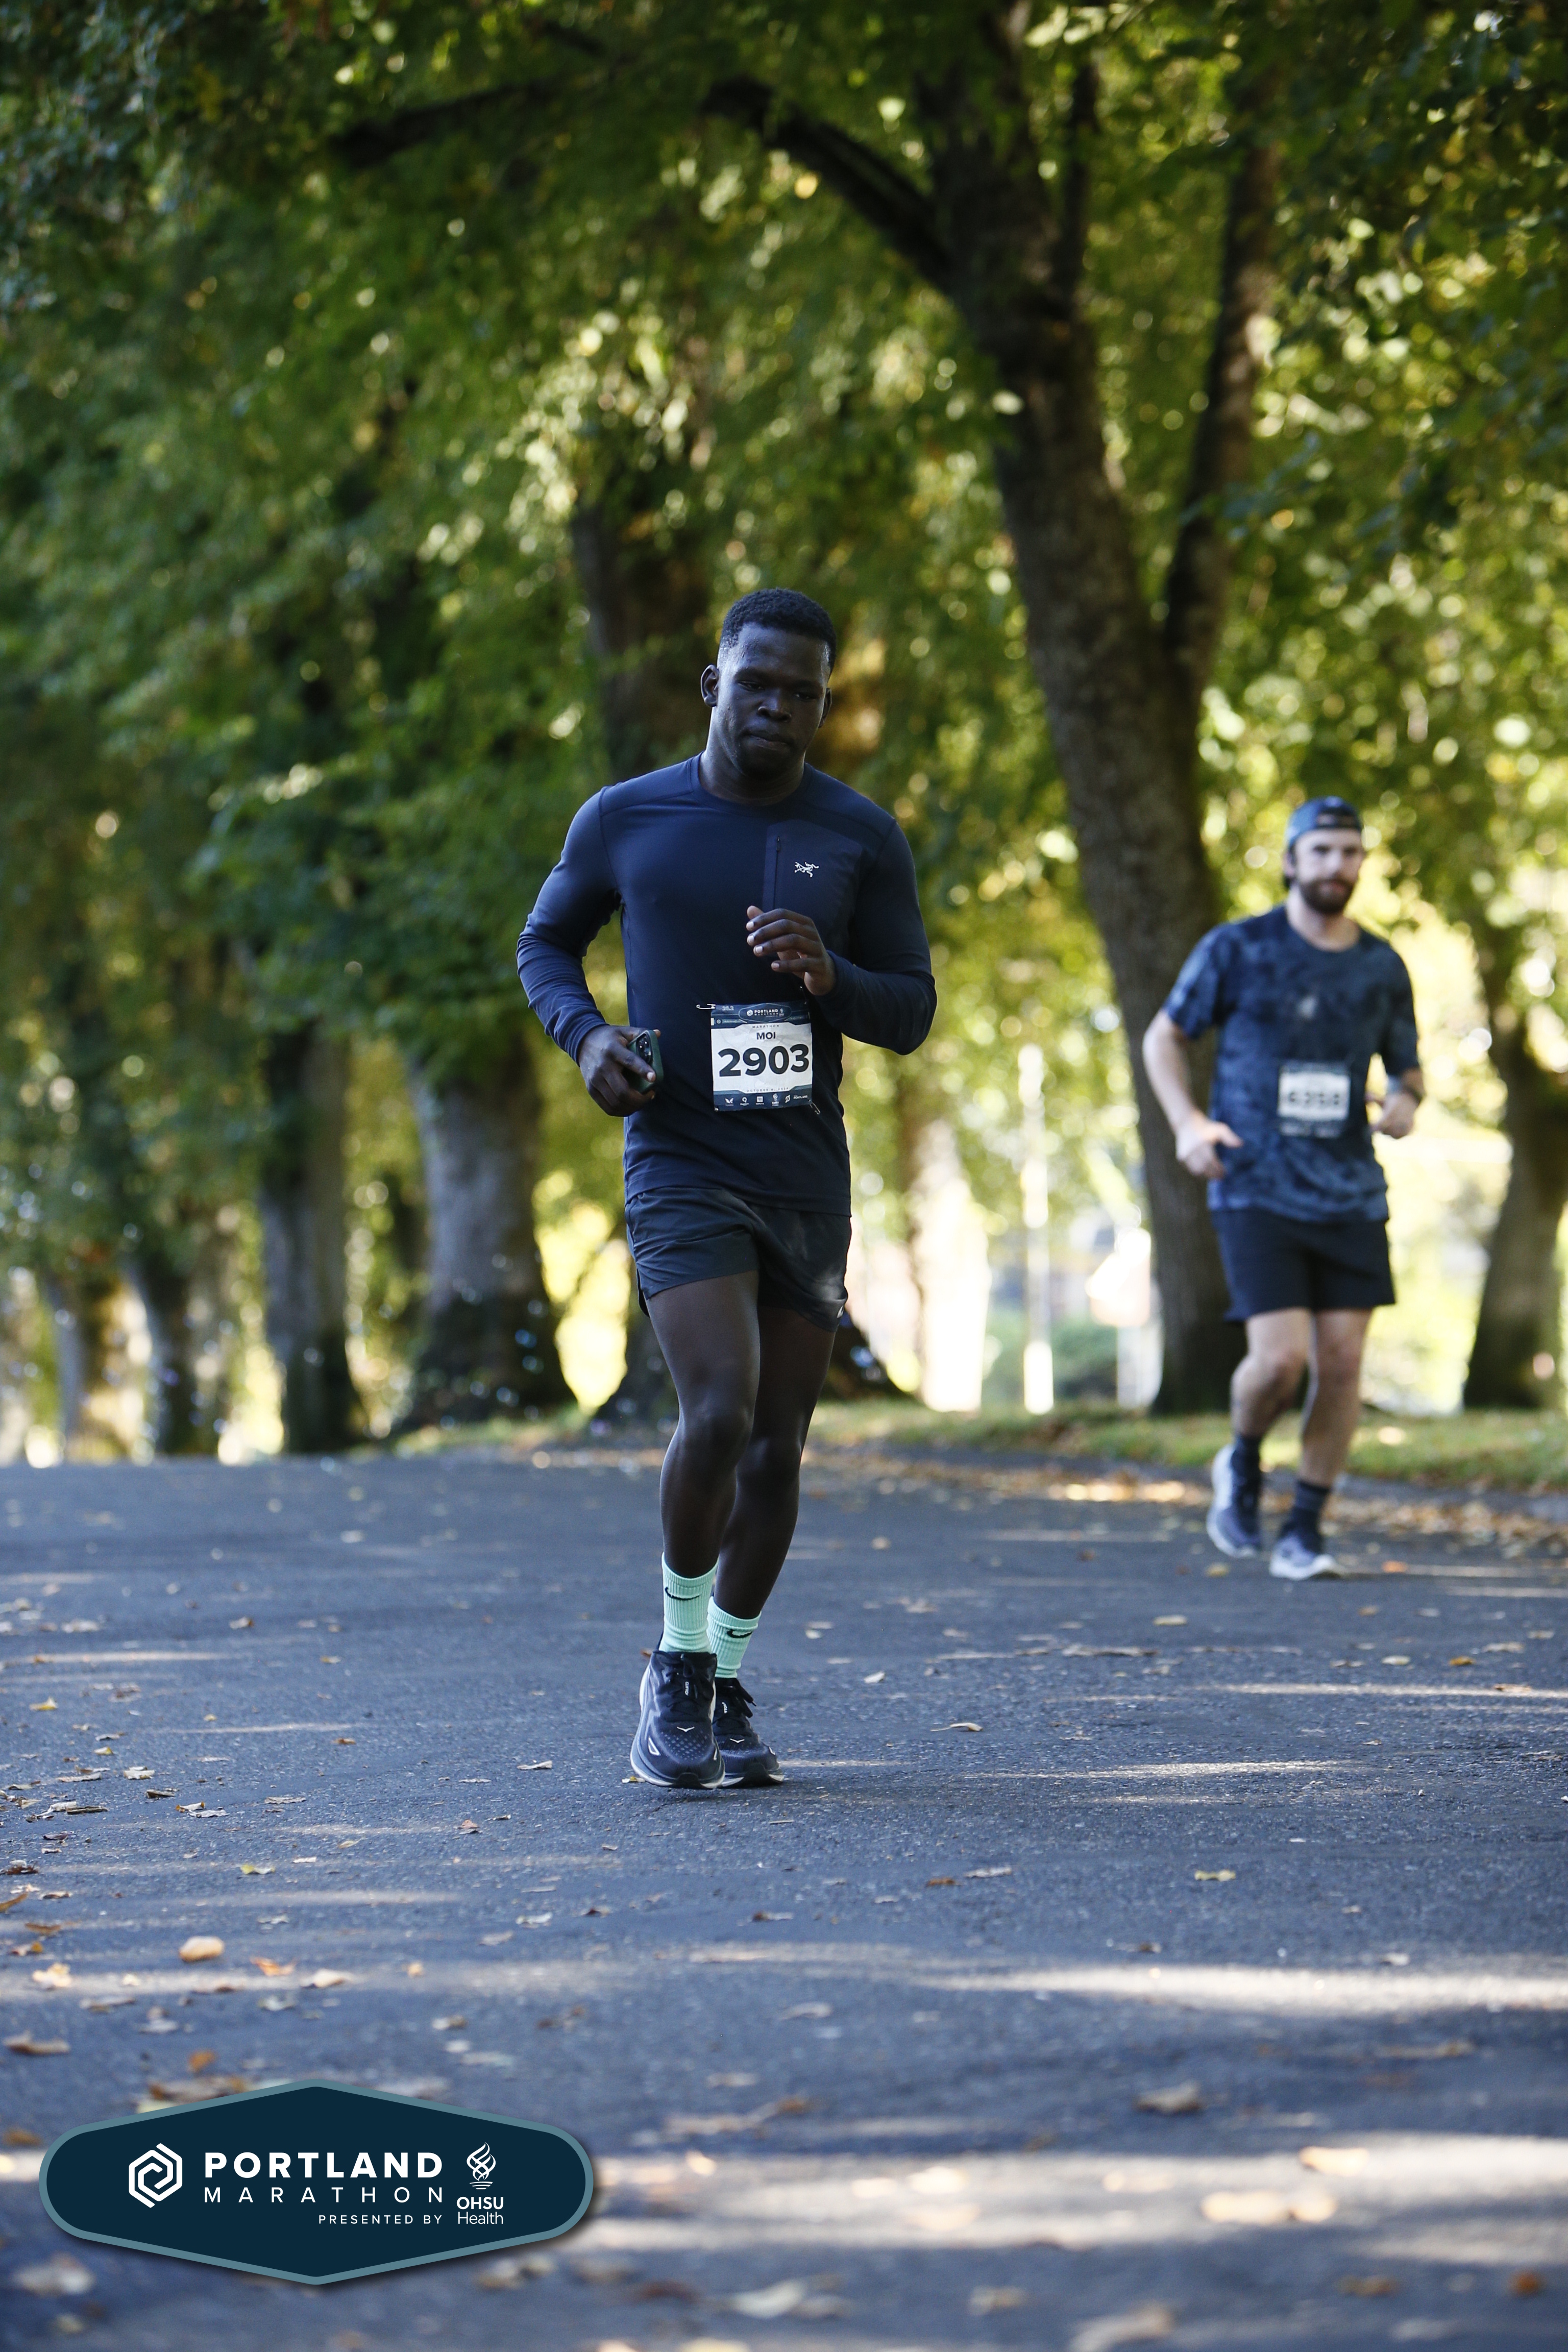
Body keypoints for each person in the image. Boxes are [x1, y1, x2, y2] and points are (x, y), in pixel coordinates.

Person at [517, 587, 935, 1785]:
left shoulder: (859, 834)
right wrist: (587, 1039)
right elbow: (546, 944)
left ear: (824, 704)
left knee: (778, 1449)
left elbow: (911, 1007)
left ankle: (727, 1680)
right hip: (681, 1157)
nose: (779, 708)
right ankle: (677, 1668)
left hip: (803, 1174)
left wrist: (832, 974)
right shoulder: (627, 817)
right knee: (719, 1410)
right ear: (716, 683)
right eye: (759, 684)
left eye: (805, 693)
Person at [1142, 797, 1423, 1581]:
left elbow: (1408, 1069)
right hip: (1256, 1185)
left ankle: (1305, 1528)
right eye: (1322, 850)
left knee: (1343, 1362)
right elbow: (1164, 1036)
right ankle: (1241, 1459)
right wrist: (1188, 1125)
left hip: (1351, 1191)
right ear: (1293, 861)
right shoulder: (1238, 948)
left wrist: (1406, 1101)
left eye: (1350, 852)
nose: (1338, 865)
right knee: (1280, 1362)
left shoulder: (1381, 965)